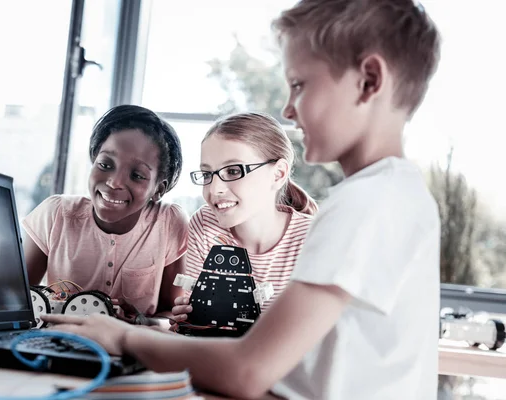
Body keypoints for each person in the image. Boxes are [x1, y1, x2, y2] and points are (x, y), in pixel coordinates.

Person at [43, 1, 442, 398]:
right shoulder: (396, 193)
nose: (288, 108)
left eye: (299, 85)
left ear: (369, 80)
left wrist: (124, 337)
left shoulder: (368, 202)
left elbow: (247, 371)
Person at [22, 105, 188, 317]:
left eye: (137, 175)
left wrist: (137, 322)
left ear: (159, 189)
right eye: (105, 164)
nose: (114, 182)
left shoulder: (168, 222)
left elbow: (173, 315)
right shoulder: (56, 214)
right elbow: (17, 303)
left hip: (130, 348)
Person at [170, 112, 317, 333]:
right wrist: (187, 318)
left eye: (233, 171)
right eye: (207, 174)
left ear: (278, 174)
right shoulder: (205, 223)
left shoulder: (313, 239)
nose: (214, 189)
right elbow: (193, 323)